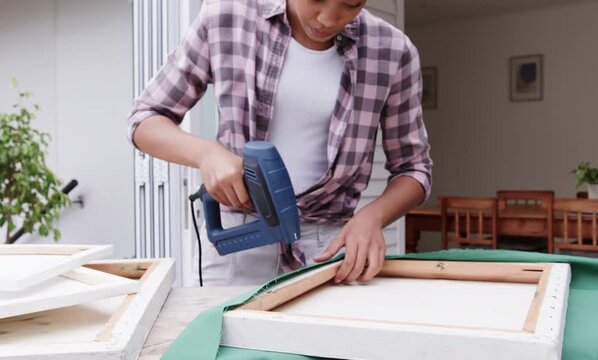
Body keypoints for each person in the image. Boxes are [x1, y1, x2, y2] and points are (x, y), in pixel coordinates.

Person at [127, 0, 432, 286]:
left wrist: (372, 217)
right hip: (238, 237)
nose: (328, 18)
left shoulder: (391, 51)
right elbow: (145, 119)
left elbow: (414, 168)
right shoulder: (227, 16)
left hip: (329, 245)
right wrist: (207, 154)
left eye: (351, 4)